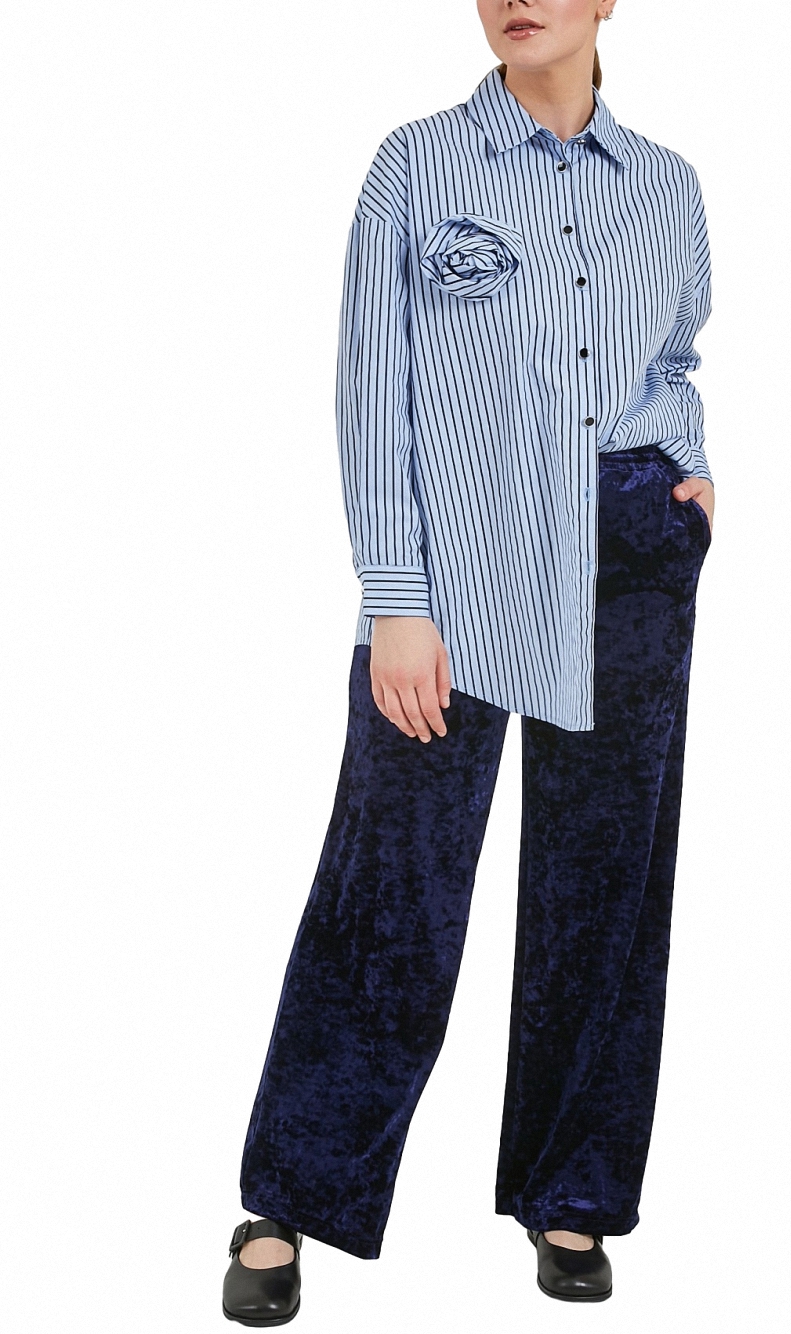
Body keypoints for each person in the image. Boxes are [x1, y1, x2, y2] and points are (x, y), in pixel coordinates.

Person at [222, 0, 715, 1322]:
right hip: (458, 564)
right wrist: (396, 597)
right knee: (393, 879)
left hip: (629, 552)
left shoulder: (668, 185)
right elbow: (370, 389)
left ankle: (574, 1189)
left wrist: (690, 470)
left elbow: (672, 357)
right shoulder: (417, 165)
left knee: (606, 885)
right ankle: (295, 1194)